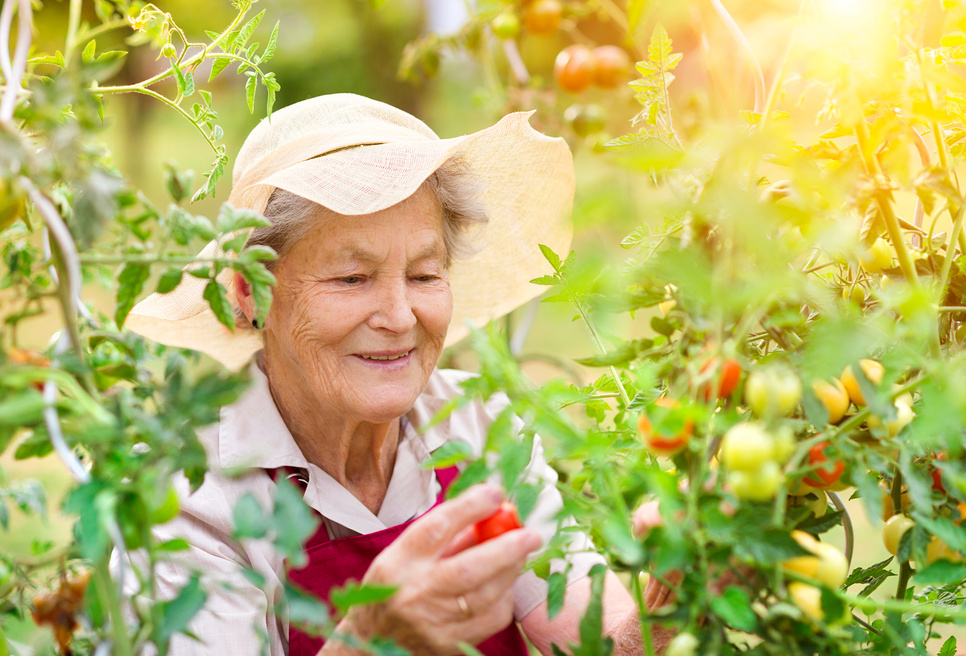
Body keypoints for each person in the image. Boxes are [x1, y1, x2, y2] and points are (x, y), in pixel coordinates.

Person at [123, 93, 672, 656]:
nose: (400, 316)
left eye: (425, 274)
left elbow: (600, 646)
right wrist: (365, 643)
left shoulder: (479, 427)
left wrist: (677, 595)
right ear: (250, 290)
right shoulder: (188, 497)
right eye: (353, 278)